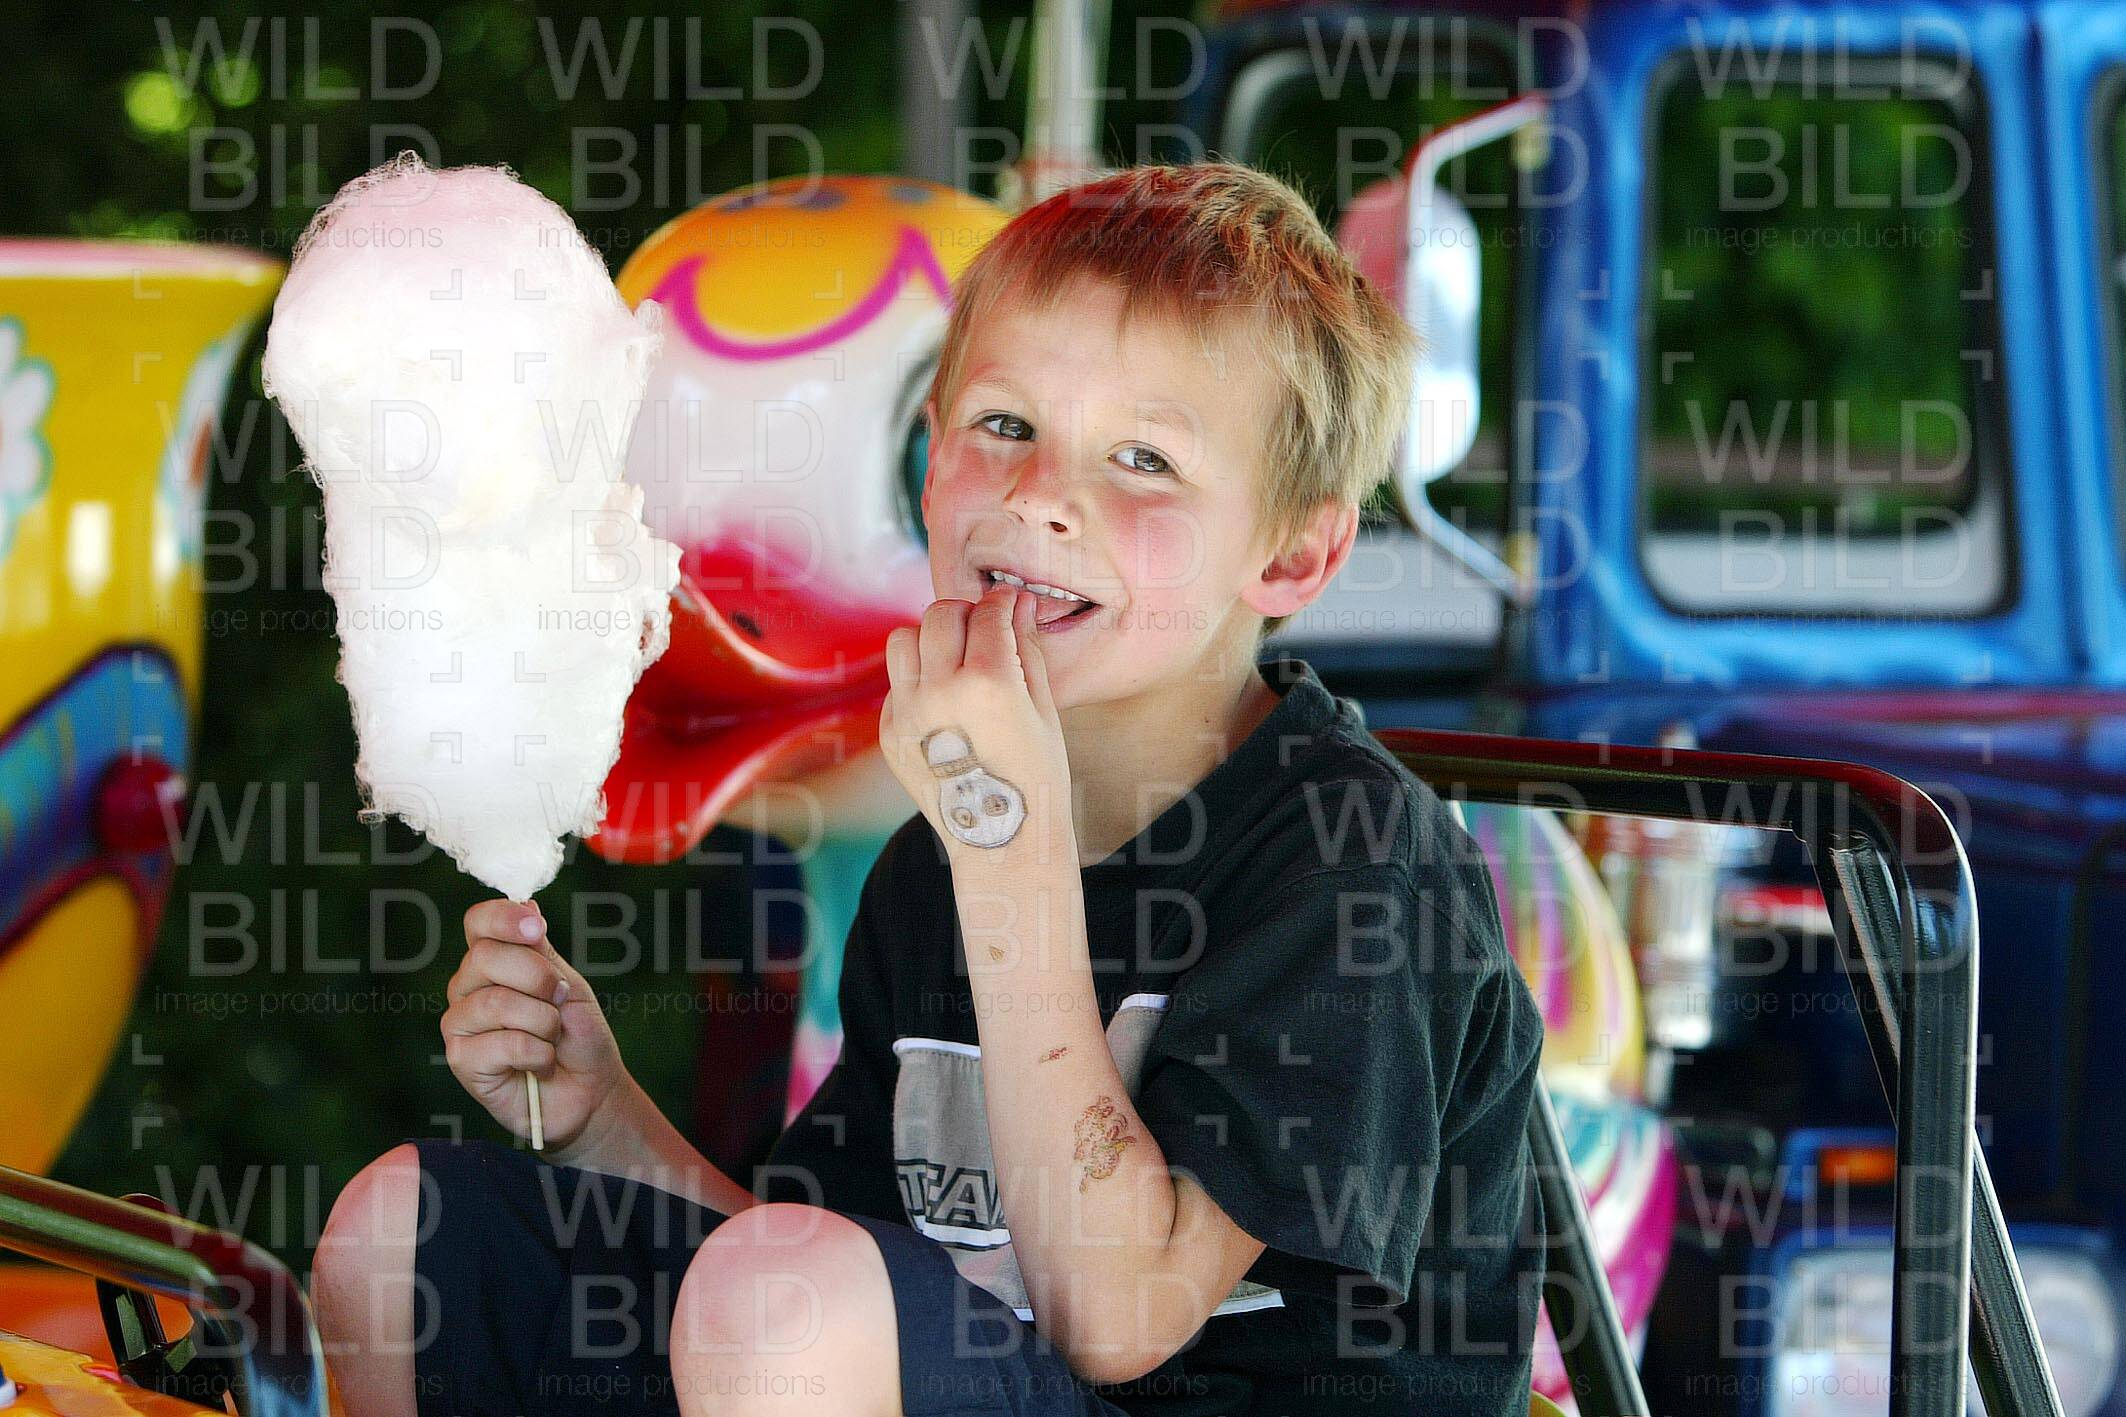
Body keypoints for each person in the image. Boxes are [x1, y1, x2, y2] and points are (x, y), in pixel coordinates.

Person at [310, 160, 1547, 1417]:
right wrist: (606, 1122)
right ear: (931, 460)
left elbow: (1114, 1318)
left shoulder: (1351, 865)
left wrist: (1007, 851)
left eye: (1142, 458)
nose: (1039, 495)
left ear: (1292, 553)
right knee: (407, 1239)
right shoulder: (931, 862)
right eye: (1004, 426)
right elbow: (801, 1272)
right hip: (993, 1380)